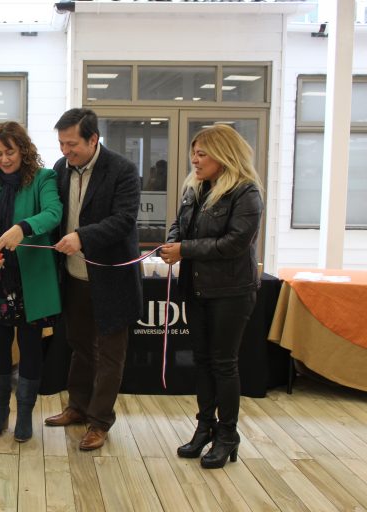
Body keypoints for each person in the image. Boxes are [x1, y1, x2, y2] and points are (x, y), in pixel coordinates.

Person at [160, 124, 263, 469]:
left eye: (202, 153)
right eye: (194, 152)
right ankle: (205, 428)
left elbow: (234, 244)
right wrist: (173, 242)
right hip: (198, 288)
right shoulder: (194, 187)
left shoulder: (246, 193)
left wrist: (184, 250)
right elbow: (178, 224)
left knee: (223, 363)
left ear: (224, 154)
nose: (195, 159)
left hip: (231, 292)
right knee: (201, 361)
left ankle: (228, 435)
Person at [45, 108, 143, 451]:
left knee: (111, 355)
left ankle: (100, 422)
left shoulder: (123, 171)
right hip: (72, 277)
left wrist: (82, 237)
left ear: (93, 139)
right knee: (80, 347)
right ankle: (77, 406)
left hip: (112, 280)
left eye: (72, 144)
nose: (65, 151)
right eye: (61, 144)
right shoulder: (60, 170)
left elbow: (124, 220)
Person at [0, 121, 62, 442]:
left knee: (31, 348)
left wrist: (23, 227)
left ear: (23, 149)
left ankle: (24, 415)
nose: (4, 159)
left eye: (9, 152)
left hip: (30, 280)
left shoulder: (43, 179)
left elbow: (53, 213)